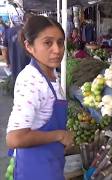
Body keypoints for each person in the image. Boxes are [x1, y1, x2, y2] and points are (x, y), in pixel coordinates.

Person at [6, 15, 73, 180]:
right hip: (35, 170)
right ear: (29, 46)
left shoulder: (50, 74)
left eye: (60, 42)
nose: (57, 50)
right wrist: (59, 135)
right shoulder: (31, 80)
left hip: (51, 163)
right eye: (47, 43)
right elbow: (15, 138)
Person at [3, 13, 32, 88]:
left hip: (15, 66)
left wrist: (8, 62)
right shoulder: (32, 32)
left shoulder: (9, 32)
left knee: (18, 88)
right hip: (29, 67)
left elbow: (4, 49)